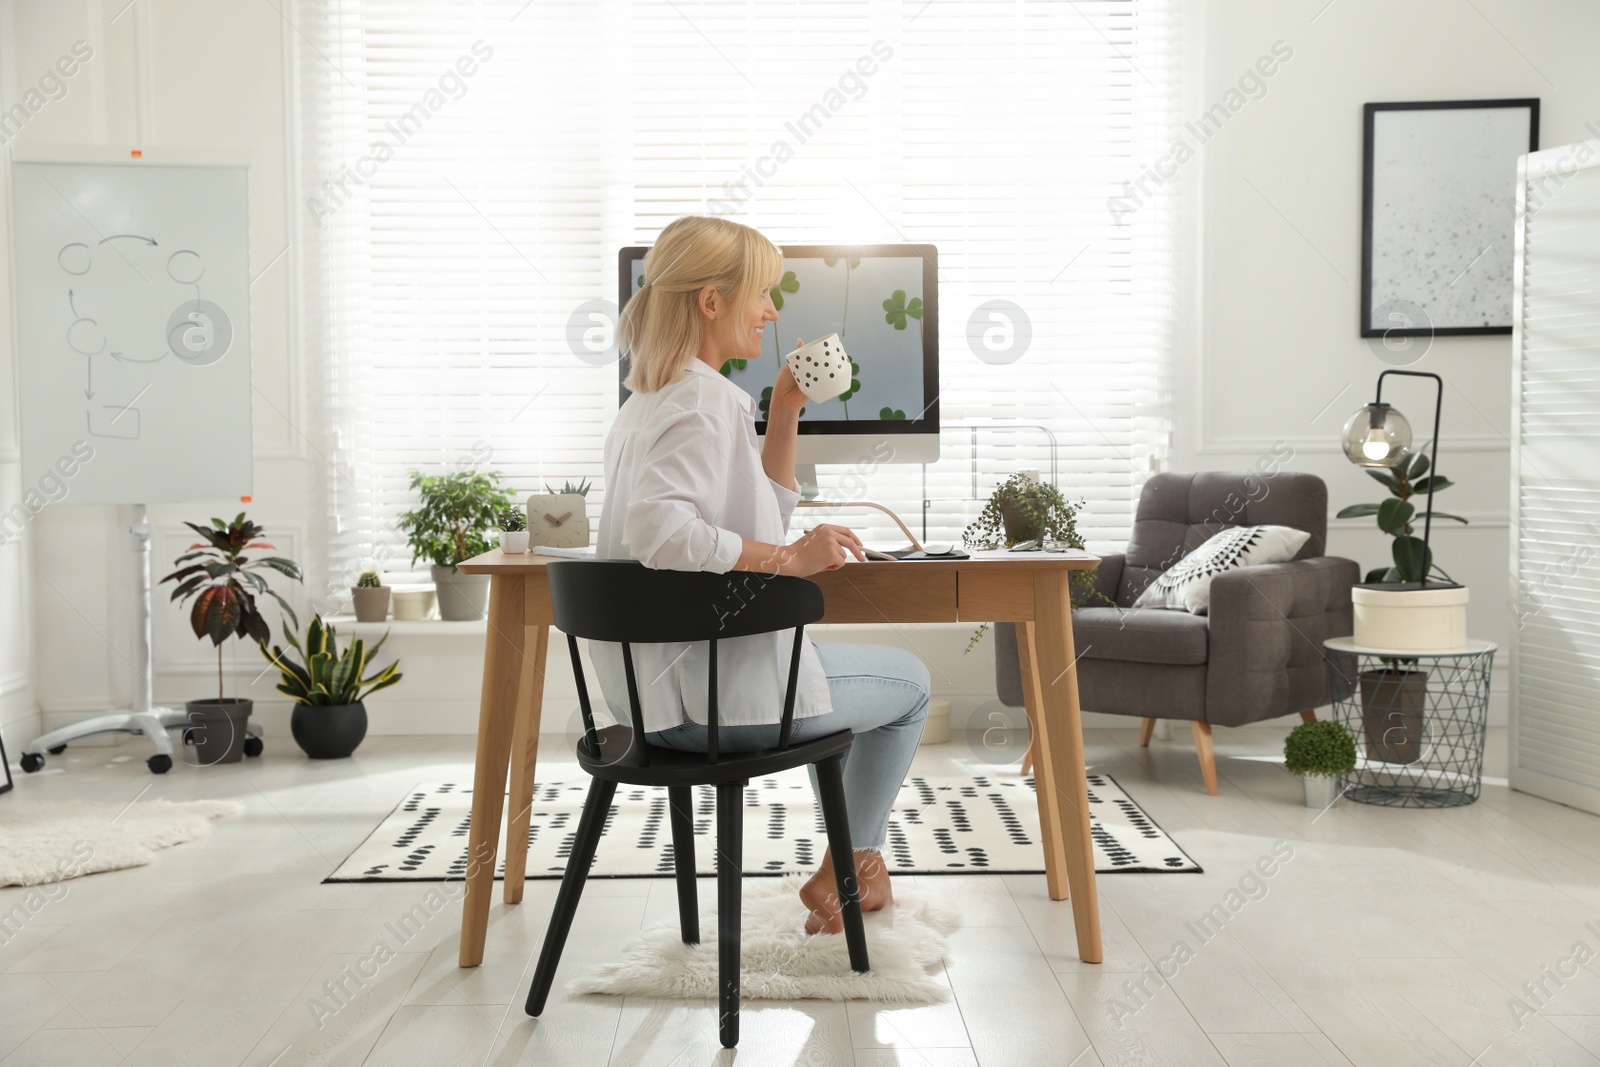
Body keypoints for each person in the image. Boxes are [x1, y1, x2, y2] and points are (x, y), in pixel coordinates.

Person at [591, 215, 930, 934]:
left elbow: (756, 518)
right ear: (712, 302)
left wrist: (785, 408)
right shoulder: (706, 401)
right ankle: (855, 862)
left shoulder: (650, 404)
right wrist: (790, 561)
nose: (773, 311)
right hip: (714, 711)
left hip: (647, 713)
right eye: (763, 295)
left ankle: (853, 863)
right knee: (910, 686)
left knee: (818, 671)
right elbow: (662, 531)